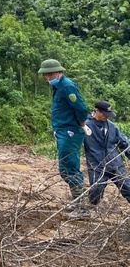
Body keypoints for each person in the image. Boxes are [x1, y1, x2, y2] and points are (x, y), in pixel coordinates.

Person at [38, 59, 91, 216]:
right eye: (46, 74)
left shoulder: (67, 86)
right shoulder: (58, 86)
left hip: (70, 132)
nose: (48, 77)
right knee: (65, 168)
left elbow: (81, 108)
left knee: (70, 168)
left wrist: (82, 124)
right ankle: (78, 202)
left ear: (59, 72)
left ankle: (83, 208)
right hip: (63, 131)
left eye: (51, 73)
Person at [84, 100, 130, 206]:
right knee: (95, 192)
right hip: (97, 165)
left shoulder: (112, 127)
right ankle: (91, 209)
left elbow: (124, 143)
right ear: (97, 111)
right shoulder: (85, 125)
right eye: (105, 114)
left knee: (127, 186)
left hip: (115, 163)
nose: (107, 117)